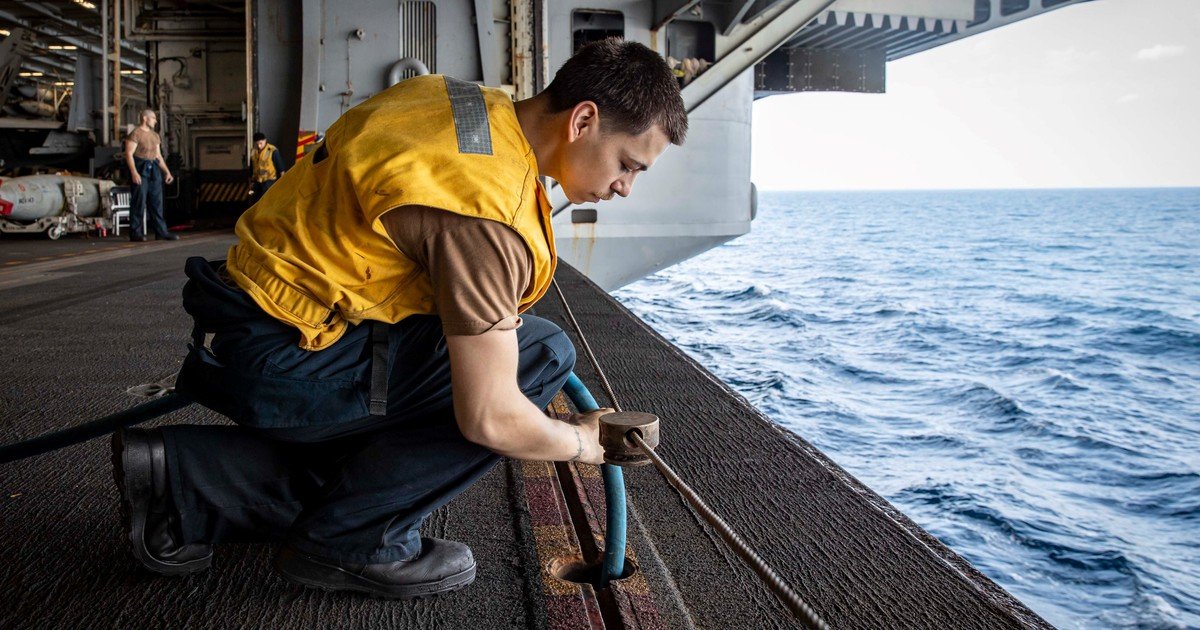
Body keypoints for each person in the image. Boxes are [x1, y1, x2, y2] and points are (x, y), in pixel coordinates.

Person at [110, 39, 687, 598]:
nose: (625, 187)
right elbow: (492, 419)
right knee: (540, 357)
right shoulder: (486, 214)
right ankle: (353, 542)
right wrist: (583, 443)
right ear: (583, 120)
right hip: (281, 357)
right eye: (627, 164)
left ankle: (181, 476)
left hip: (243, 315)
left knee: (441, 404)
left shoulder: (453, 99)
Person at [122, 109, 178, 241]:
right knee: (139, 202)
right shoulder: (136, 133)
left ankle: (161, 232)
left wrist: (167, 172)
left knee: (157, 203)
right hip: (140, 168)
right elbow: (129, 154)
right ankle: (136, 233)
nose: (155, 120)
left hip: (154, 169)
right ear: (145, 118)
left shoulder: (155, 135)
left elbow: (158, 156)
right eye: (153, 118)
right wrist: (134, 172)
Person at [249, 131, 286, 200]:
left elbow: (281, 168)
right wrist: (251, 181)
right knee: (253, 198)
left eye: (260, 143)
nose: (259, 146)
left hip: (269, 182)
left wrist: (282, 184)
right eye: (257, 144)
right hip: (256, 182)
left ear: (265, 140)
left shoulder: (272, 150)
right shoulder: (253, 151)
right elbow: (252, 168)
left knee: (267, 200)